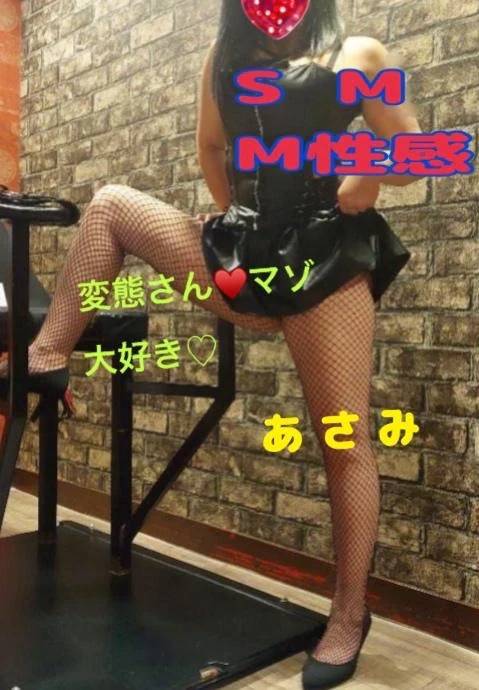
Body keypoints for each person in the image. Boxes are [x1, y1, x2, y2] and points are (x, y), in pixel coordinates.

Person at [1, 1, 423, 688]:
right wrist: (232, 216)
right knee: (111, 205)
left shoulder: (360, 54)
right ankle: (45, 356)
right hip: (242, 256)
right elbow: (209, 148)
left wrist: (367, 175)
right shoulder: (224, 57)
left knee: (343, 440)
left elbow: (413, 152)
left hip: (327, 262)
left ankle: (349, 615)